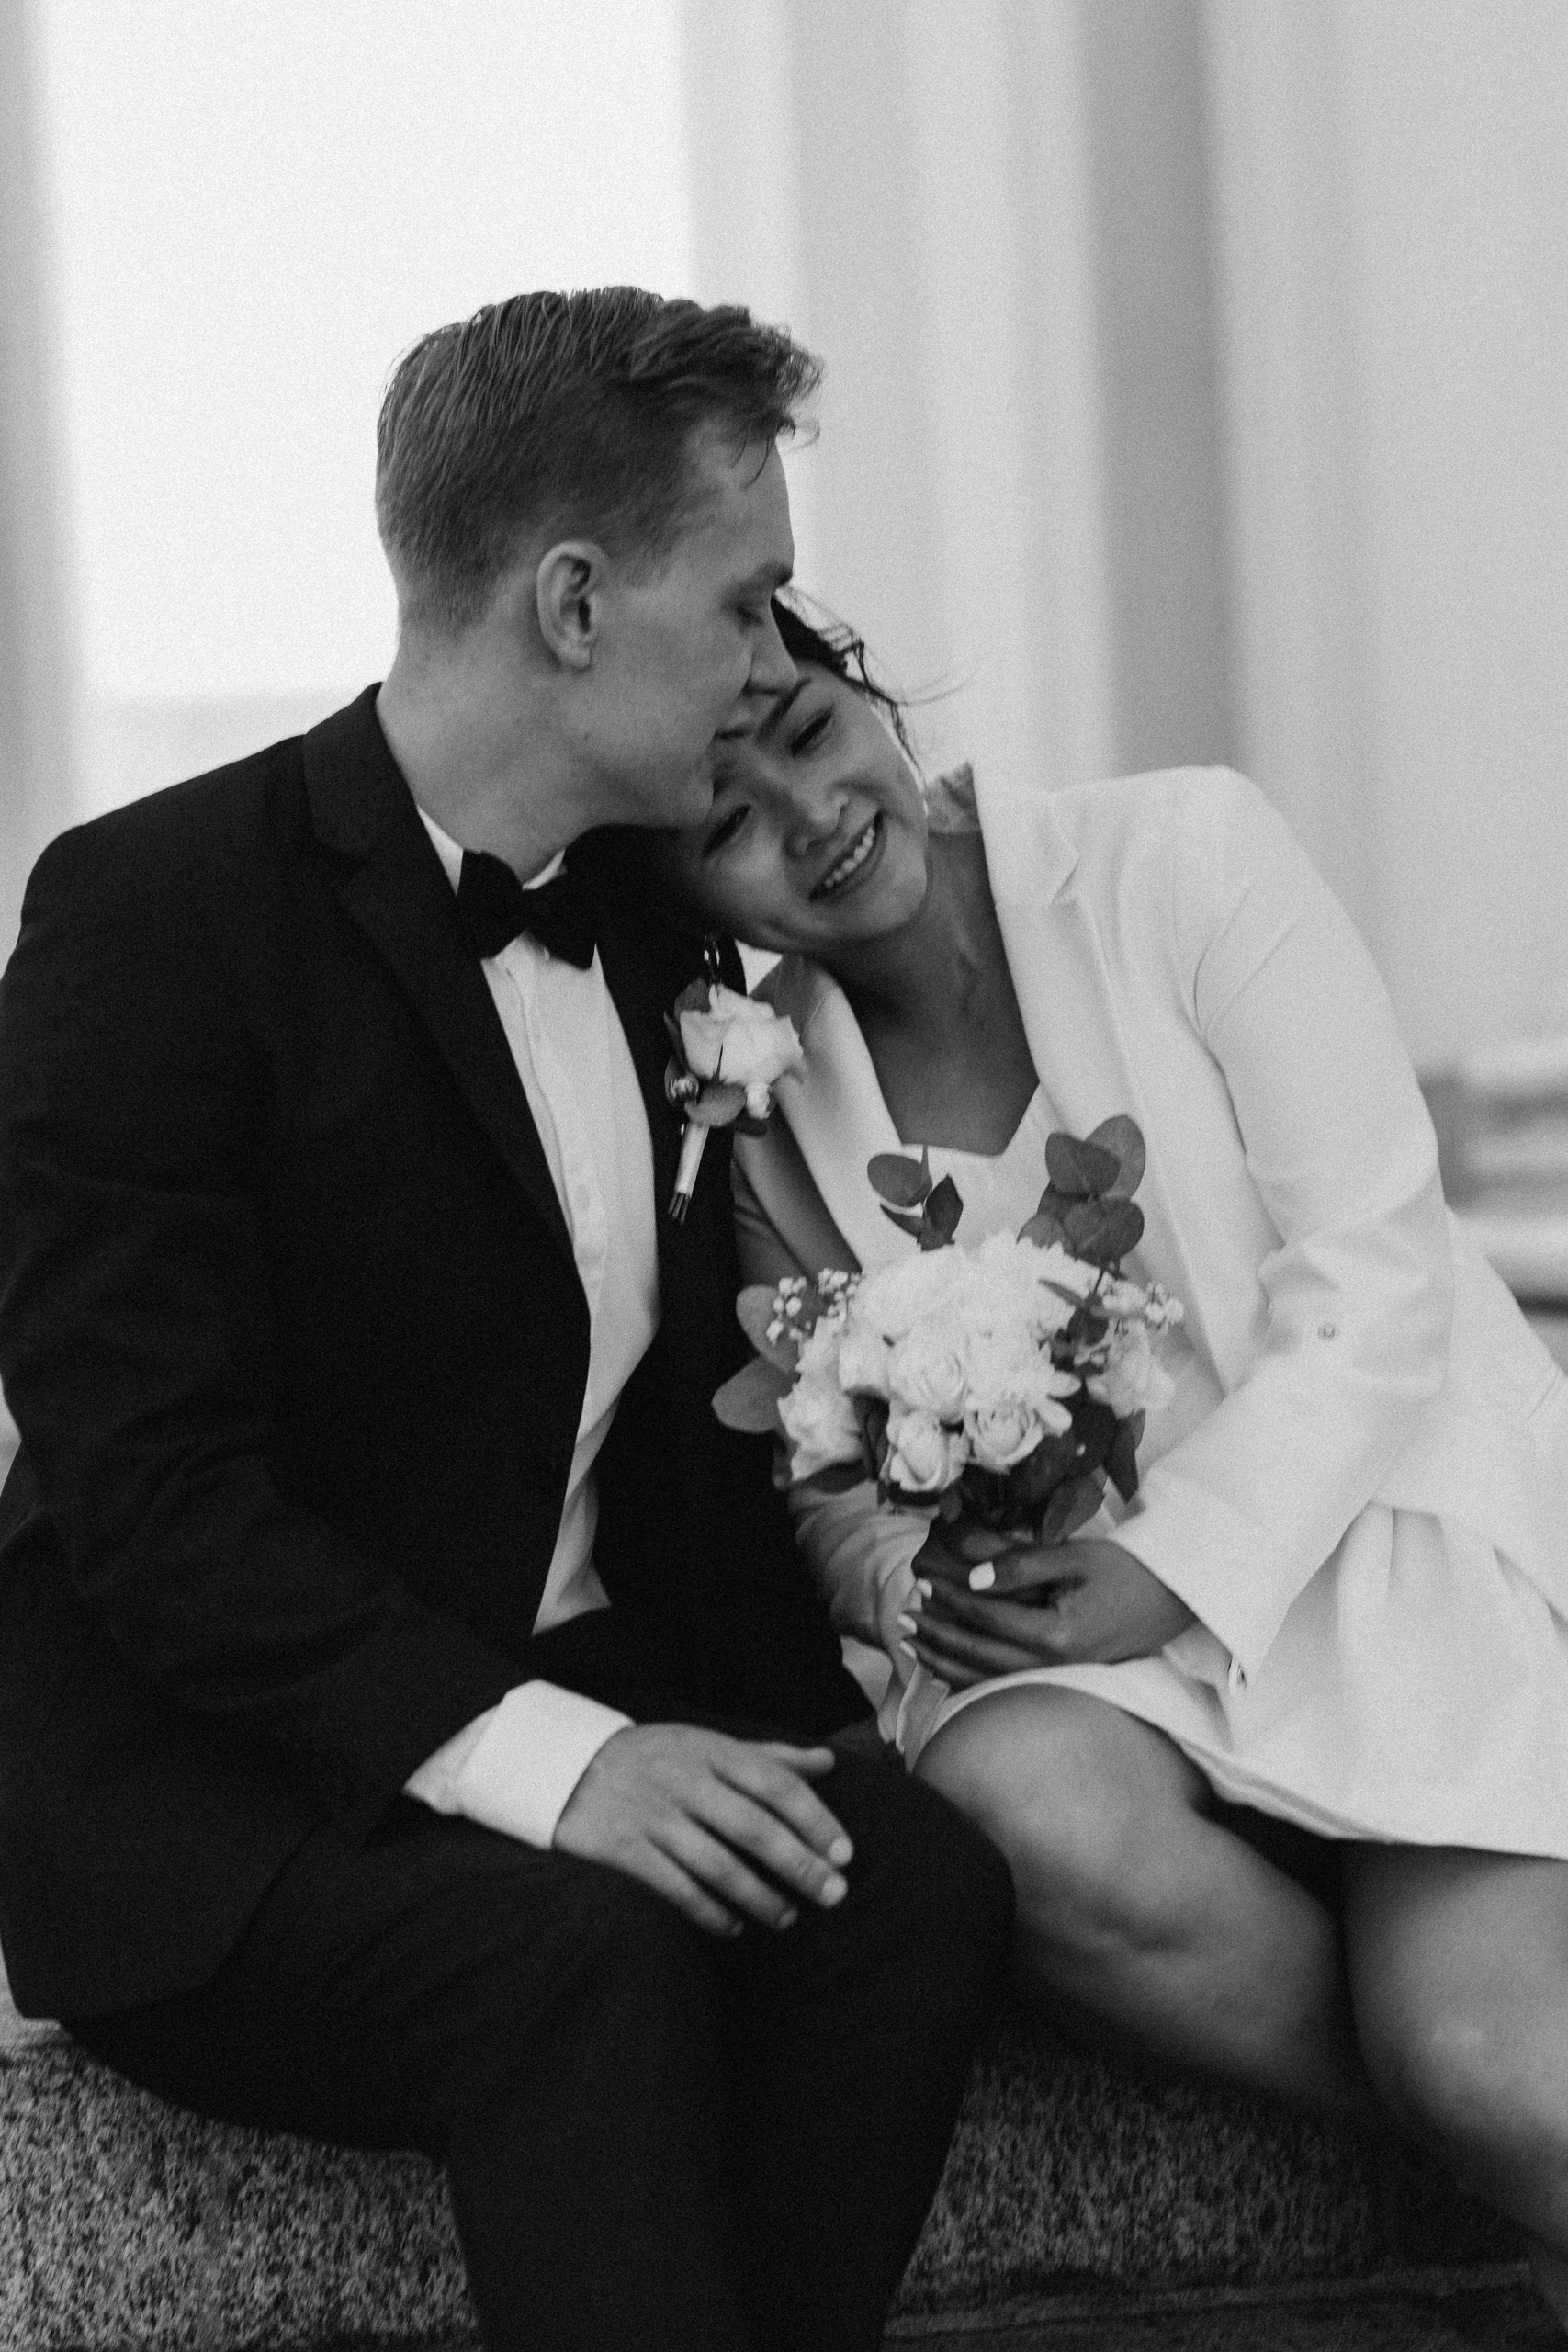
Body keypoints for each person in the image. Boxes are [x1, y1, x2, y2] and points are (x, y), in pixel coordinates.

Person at [0, 296, 1014, 2352]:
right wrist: (566, 1767)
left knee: (903, 1885)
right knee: (575, 1956)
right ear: (571, 603)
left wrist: (836, 1696)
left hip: (583, 1677)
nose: (771, 660)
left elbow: (685, 1416)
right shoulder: (148, 919)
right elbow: (154, 1504)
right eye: (742, 601)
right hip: (214, 1781)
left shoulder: (649, 909)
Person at [605, 596, 1568, 2322]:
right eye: (731, 825)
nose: (813, 818)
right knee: (1012, 1804)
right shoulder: (763, 1115)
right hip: (1098, 1653)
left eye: (813, 734)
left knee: (1486, 2059)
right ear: (696, 901)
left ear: (871, 701)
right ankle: (1452, 2128)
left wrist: (1163, 1570)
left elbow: (1378, 1271)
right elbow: (826, 1478)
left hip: (1377, 1532)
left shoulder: (1179, 853)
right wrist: (928, 1592)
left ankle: (1476, 2100)